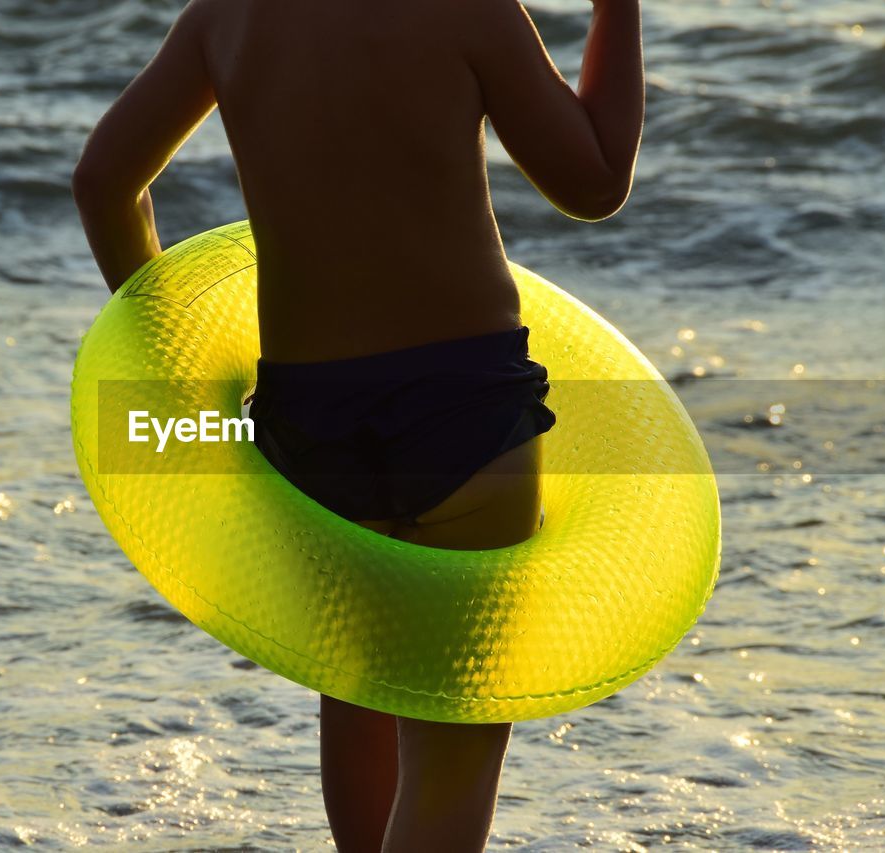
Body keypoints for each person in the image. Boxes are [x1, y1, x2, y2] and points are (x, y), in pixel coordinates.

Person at [72, 0, 643, 849]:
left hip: (311, 419)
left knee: (360, 696)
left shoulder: (226, 17)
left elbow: (104, 181)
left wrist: (165, 334)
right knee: (451, 748)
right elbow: (593, 184)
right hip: (463, 405)